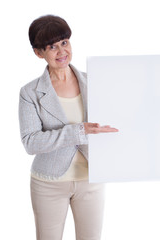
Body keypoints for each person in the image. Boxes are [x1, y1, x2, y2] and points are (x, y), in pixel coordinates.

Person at [18, 14, 118, 240]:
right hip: (49, 184)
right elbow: (31, 142)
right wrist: (79, 130)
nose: (61, 52)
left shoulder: (95, 81)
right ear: (38, 53)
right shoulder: (29, 93)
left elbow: (113, 124)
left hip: (91, 179)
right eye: (52, 46)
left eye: (64, 42)